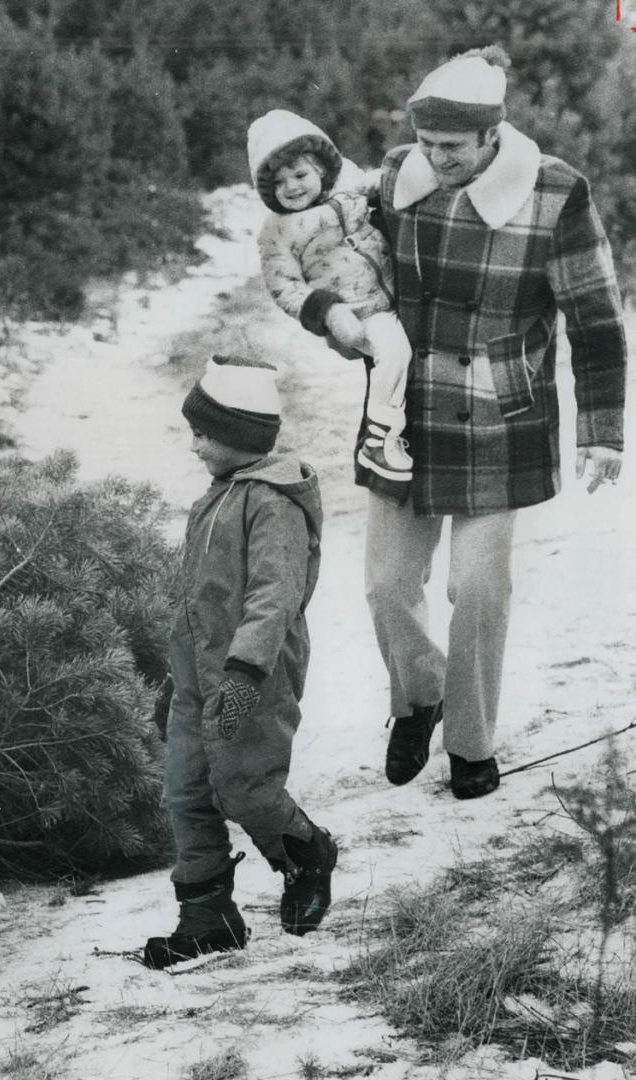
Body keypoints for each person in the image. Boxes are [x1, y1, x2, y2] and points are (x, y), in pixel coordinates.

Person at [359, 47, 626, 800]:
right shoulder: (394, 178)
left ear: (490, 135)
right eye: (427, 143)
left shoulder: (555, 193)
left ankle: (471, 744)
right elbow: (340, 254)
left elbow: (597, 319)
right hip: (401, 411)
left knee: (478, 588)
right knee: (384, 585)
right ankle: (421, 697)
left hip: (497, 417)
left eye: (452, 146)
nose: (435, 158)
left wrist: (603, 429)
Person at [142, 355, 338, 970]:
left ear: (240, 436)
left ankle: (306, 851)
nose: (194, 445)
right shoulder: (218, 497)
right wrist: (176, 679)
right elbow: (196, 600)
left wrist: (246, 673)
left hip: (255, 675)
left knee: (246, 787)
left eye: (203, 433)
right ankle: (208, 918)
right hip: (198, 677)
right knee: (187, 793)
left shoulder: (272, 501)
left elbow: (272, 596)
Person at [249, 108, 414, 485]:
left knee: (404, 357)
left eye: (300, 174)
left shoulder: (348, 185)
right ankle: (380, 436)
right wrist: (328, 311)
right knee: (395, 353)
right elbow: (283, 284)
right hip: (359, 310)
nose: (292, 187)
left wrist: (386, 181)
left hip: (395, 293)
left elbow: (376, 184)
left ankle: (392, 431)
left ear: (321, 169)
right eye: (280, 182)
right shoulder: (277, 229)